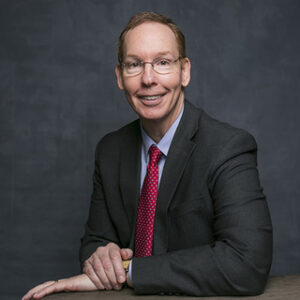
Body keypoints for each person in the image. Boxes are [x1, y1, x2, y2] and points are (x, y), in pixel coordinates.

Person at [23, 11, 272, 299]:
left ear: (185, 71)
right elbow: (96, 242)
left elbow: (247, 264)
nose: (148, 78)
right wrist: (103, 258)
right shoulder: (110, 151)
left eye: (163, 62)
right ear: (120, 76)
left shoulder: (227, 147)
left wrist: (131, 271)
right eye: (134, 65)